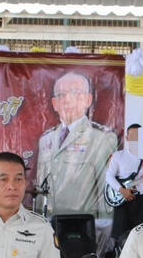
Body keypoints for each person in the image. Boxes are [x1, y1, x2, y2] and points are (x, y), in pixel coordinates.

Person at [35, 73, 118, 217]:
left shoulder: (102, 138)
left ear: (88, 100)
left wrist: (104, 226)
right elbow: (41, 187)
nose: (67, 100)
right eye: (61, 94)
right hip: (49, 221)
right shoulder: (46, 140)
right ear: (54, 103)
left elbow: (106, 191)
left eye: (75, 93)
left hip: (83, 223)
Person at [104, 123, 143, 250]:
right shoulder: (119, 156)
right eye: (133, 136)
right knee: (121, 236)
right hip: (123, 201)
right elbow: (109, 176)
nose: (136, 139)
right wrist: (122, 190)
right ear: (127, 138)